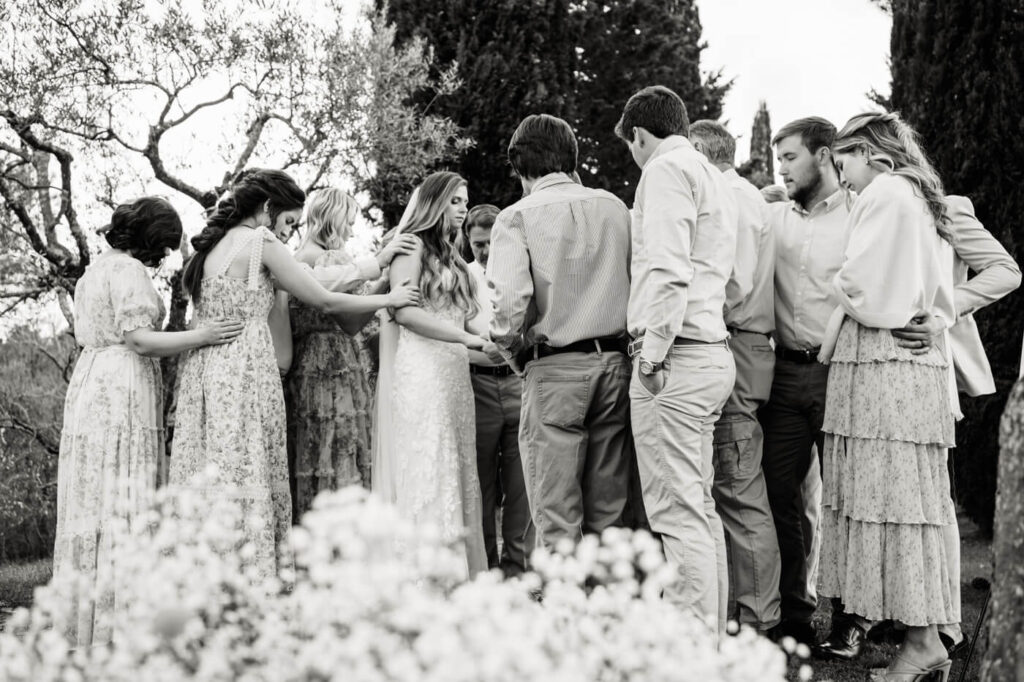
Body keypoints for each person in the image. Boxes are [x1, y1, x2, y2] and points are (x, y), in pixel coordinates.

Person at [170, 169, 420, 579]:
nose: (288, 232)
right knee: (251, 466)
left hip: (205, 372)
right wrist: (388, 292)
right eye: (287, 221)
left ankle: (212, 572)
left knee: (218, 472)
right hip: (247, 370)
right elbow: (319, 294)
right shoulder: (259, 241)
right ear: (268, 209)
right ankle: (253, 573)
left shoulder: (208, 250)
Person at [53, 197, 245, 646]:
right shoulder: (128, 272)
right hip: (121, 387)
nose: (160, 258)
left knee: (95, 497)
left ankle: (89, 619)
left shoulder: (94, 272)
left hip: (90, 382)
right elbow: (139, 340)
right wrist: (204, 336)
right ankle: (121, 621)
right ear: (149, 238)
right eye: (161, 247)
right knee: (125, 493)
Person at [819, 111, 957, 682]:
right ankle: (924, 639)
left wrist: (832, 281)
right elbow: (937, 296)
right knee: (905, 503)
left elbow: (862, 288)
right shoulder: (918, 199)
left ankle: (923, 645)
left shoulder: (886, 194)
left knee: (894, 502)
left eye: (844, 160)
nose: (841, 175)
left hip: (881, 368)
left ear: (872, 154)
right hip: (904, 368)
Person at [616, 87, 736, 631]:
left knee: (676, 513)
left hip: (676, 359)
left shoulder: (664, 172)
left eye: (631, 147)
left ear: (640, 135)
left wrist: (651, 356)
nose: (634, 158)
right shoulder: (713, 174)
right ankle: (705, 645)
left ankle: (686, 655)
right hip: (710, 350)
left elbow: (666, 269)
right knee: (699, 510)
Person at [488, 114, 633, 551]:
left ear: (520, 168)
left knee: (555, 511)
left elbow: (509, 309)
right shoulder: (615, 208)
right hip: (616, 365)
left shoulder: (516, 218)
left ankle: (565, 613)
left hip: (554, 369)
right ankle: (609, 610)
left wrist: (517, 359)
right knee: (610, 509)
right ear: (572, 158)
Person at [759, 117, 851, 646]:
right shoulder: (772, 217)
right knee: (778, 496)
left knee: (844, 501)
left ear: (823, 154)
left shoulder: (861, 215)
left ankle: (849, 616)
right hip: (783, 374)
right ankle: (796, 611)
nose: (782, 168)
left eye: (790, 157)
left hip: (840, 375)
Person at [372, 171, 489, 578]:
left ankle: (461, 572)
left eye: (465, 201)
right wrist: (465, 339)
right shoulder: (411, 246)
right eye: (455, 201)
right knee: (430, 462)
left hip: (454, 373)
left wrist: (489, 340)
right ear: (435, 203)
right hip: (422, 369)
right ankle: (426, 576)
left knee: (458, 466)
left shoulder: (453, 255)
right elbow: (405, 312)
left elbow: (464, 317)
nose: (463, 209)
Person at [689, 120, 781, 634]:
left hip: (732, 342)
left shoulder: (729, 196)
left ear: (700, 150)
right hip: (745, 345)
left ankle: (755, 620)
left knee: (736, 485)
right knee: (733, 480)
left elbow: (733, 281)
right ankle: (744, 612)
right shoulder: (746, 195)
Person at [278, 188, 419, 520]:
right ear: (335, 218)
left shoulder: (297, 256)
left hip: (303, 368)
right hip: (334, 368)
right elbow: (352, 322)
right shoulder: (330, 259)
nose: (351, 232)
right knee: (339, 450)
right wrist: (387, 286)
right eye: (350, 223)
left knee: (311, 452)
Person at [464, 203, 533, 575]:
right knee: (482, 483)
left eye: (491, 242)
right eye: (478, 244)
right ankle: (486, 564)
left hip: (520, 383)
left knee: (521, 484)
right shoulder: (462, 278)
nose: (486, 251)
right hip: (479, 388)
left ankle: (517, 567)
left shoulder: (521, 273)